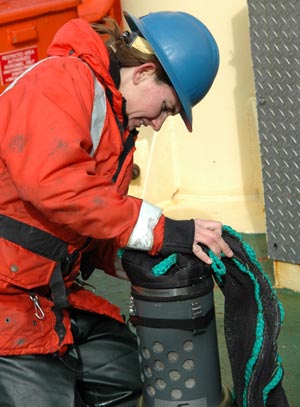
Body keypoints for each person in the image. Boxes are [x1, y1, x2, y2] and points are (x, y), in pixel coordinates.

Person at [0, 9, 233, 407]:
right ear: (142, 73)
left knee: (126, 372)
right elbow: (55, 186)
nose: (159, 124)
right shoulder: (60, 81)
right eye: (166, 108)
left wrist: (146, 260)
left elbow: (87, 226)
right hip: (8, 296)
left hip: (44, 291)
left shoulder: (116, 124)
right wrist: (167, 230)